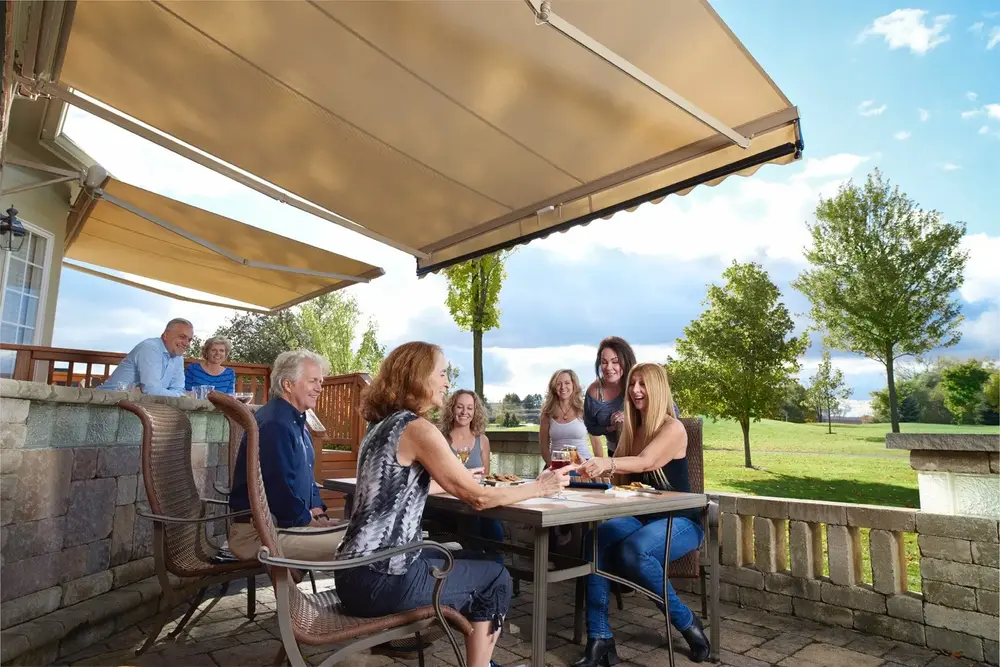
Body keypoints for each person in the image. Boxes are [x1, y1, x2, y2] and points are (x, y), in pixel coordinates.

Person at [334, 342, 574, 667]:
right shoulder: (417, 429)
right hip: (381, 579)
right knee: (495, 578)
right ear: (419, 377)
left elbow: (398, 489)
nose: (447, 382)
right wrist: (540, 486)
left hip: (353, 572)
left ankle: (474, 652)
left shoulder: (380, 427)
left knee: (479, 557)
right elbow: (479, 497)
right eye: (442, 373)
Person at [574, 363, 709, 665]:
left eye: (642, 384)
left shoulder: (673, 429)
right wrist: (593, 473)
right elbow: (621, 479)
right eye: (632, 384)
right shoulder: (631, 430)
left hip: (681, 520)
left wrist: (606, 463)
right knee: (594, 540)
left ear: (658, 388)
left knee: (634, 551)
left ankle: (688, 623)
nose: (635, 390)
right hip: (642, 516)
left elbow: (646, 463)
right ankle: (599, 638)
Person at [228, 349, 342, 561]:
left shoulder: (296, 422)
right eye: (313, 381)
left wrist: (319, 513)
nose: (319, 388)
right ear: (287, 385)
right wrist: (309, 523)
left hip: (282, 526)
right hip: (258, 534)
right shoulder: (275, 424)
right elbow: (278, 489)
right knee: (362, 546)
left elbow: (307, 478)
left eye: (320, 381)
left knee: (366, 536)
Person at [439, 390, 506, 561]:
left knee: (489, 517)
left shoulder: (482, 440)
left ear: (475, 411)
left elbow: (486, 478)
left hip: (475, 499)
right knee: (476, 518)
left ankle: (494, 566)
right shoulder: (441, 439)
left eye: (470, 408)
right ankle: (480, 564)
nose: (464, 412)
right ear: (451, 409)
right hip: (449, 501)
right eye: (460, 407)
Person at [98, 319, 193, 396]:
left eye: (189, 340)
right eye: (182, 337)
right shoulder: (150, 348)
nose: (187, 343)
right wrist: (180, 396)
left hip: (134, 405)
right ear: (166, 335)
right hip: (105, 403)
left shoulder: (178, 357)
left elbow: (178, 389)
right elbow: (152, 391)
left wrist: (178, 395)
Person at [583, 337, 636, 457]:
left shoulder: (640, 382)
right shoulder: (594, 392)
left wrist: (630, 416)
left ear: (626, 361)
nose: (608, 367)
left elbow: (672, 411)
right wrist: (610, 428)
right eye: (604, 362)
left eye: (615, 361)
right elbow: (591, 428)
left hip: (644, 451)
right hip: (614, 452)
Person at [539, 369, 592, 466]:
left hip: (583, 465)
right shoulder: (547, 412)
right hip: (556, 465)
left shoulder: (584, 409)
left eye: (567, 383)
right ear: (554, 387)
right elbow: (543, 447)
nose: (563, 387)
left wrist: (599, 470)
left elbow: (596, 443)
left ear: (574, 385)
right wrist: (551, 465)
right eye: (558, 384)